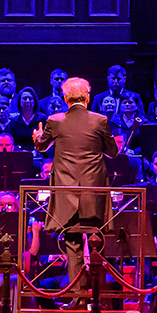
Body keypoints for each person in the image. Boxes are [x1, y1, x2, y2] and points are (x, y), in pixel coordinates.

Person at [35, 77, 115, 296]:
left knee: (72, 241)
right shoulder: (100, 121)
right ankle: (98, 296)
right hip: (94, 193)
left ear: (65, 98)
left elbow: (42, 146)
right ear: (87, 98)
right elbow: (113, 152)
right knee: (97, 240)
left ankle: (78, 295)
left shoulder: (56, 120)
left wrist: (36, 137)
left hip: (66, 194)